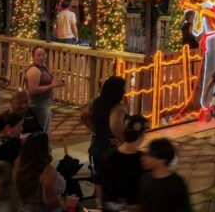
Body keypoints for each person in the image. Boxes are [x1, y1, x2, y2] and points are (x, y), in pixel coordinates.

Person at [79, 76, 127, 204]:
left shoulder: (95, 103)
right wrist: (124, 142)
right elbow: (115, 126)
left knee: (98, 179)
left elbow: (83, 116)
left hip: (96, 146)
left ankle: (99, 205)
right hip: (111, 147)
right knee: (113, 180)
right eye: (123, 89)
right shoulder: (118, 108)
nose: (125, 91)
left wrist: (96, 130)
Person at [14, 132, 78, 212]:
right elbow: (50, 201)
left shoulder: (19, 164)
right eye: (48, 145)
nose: (50, 148)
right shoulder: (48, 172)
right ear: (43, 150)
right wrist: (65, 203)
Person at [102, 115, 147, 210]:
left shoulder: (110, 155)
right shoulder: (143, 158)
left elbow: (104, 188)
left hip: (112, 207)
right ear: (142, 135)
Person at [139, 139, 191, 212]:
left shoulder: (176, 184)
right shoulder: (145, 178)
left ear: (162, 160)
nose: (142, 158)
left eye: (149, 155)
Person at [24, 46, 65, 134]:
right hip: (37, 105)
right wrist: (52, 85)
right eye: (38, 55)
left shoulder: (43, 67)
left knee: (45, 131)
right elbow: (33, 90)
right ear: (33, 57)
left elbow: (49, 78)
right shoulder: (34, 71)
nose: (41, 57)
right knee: (40, 131)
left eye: (43, 54)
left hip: (45, 104)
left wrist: (57, 81)